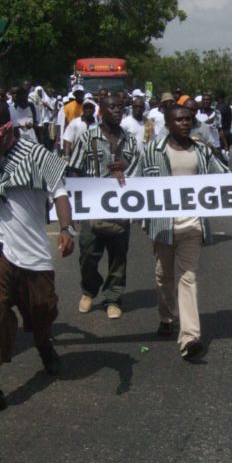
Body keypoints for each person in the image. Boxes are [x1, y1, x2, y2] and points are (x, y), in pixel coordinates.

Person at [0, 101, 75, 422]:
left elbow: (60, 194)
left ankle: (43, 344)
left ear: (4, 129)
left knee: (42, 310)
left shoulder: (38, 155)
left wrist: (65, 228)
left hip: (34, 255)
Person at [130, 104, 229, 360]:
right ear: (169, 124)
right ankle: (166, 316)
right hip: (163, 228)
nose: (185, 123)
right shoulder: (152, 151)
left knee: (188, 278)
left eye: (188, 120)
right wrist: (118, 175)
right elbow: (132, 181)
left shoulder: (201, 151)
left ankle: (189, 338)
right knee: (164, 278)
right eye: (179, 120)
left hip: (192, 226)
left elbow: (225, 178)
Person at [68, 94, 140, 319]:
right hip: (92, 207)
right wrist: (74, 205)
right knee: (88, 254)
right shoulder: (88, 138)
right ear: (102, 111)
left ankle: (113, 298)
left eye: (120, 107)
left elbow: (140, 170)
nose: (118, 110)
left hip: (121, 207)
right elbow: (74, 169)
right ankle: (89, 290)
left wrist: (126, 168)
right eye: (113, 107)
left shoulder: (129, 140)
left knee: (118, 255)